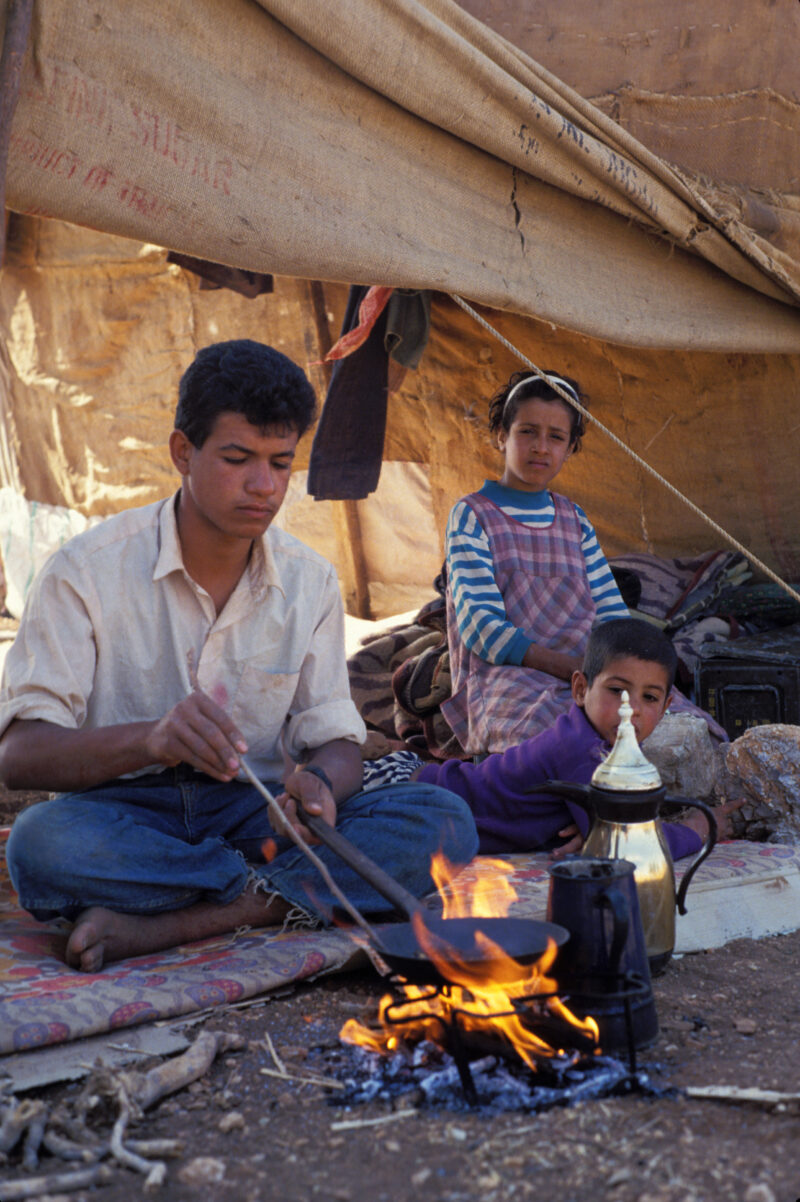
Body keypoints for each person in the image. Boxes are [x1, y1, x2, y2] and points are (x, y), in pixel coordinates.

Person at [0, 340, 478, 973]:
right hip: (127, 813)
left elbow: (335, 738)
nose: (264, 486)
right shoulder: (85, 573)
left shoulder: (308, 580)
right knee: (39, 846)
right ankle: (280, 893)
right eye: (237, 458)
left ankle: (185, 919)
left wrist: (319, 786)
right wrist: (153, 740)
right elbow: (20, 754)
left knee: (444, 820)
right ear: (182, 452)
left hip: (257, 814)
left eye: (281, 463)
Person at [364, 618, 741, 858]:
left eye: (650, 697)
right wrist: (697, 830)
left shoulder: (607, 748)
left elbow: (612, 827)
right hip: (412, 799)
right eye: (616, 691)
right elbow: (626, 848)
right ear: (580, 690)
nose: (632, 709)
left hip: (422, 789)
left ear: (669, 704)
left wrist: (593, 828)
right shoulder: (581, 750)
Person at [440, 369, 629, 756]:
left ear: (571, 448)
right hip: (507, 676)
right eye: (527, 431)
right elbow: (482, 629)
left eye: (556, 437)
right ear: (500, 435)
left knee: (676, 725)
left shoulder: (574, 520)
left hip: (587, 673)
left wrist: (620, 668)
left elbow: (612, 613)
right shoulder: (473, 514)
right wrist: (574, 671)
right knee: (556, 741)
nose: (541, 447)